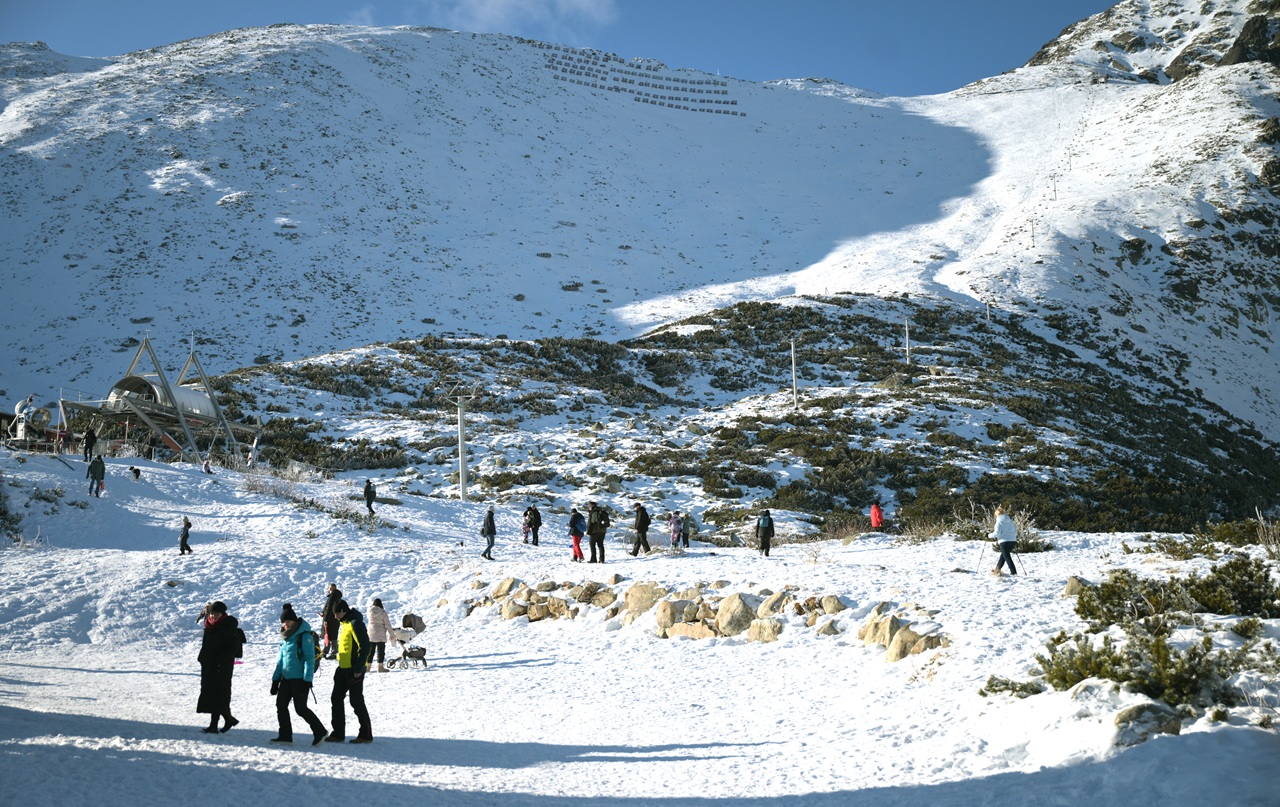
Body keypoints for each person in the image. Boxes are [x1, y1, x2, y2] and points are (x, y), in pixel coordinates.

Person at [269, 603, 329, 745]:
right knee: (281, 705)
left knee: (300, 709)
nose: (285, 624)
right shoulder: (286, 638)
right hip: (286, 678)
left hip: (299, 680)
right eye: (283, 622)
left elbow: (309, 659)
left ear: (294, 621)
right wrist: (275, 680)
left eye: (288, 621)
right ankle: (285, 736)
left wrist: (307, 680)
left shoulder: (304, 636)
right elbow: (281, 660)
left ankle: (320, 731)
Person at [328, 599, 373, 743]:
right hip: (343, 668)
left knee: (356, 701)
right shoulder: (345, 623)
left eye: (336, 614)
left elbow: (365, 646)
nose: (335, 617)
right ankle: (338, 733)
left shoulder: (355, 623)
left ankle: (366, 734)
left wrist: (359, 668)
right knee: (336, 699)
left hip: (354, 670)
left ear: (343, 611)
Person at [197, 600, 242, 734]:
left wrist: (219, 661)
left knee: (219, 695)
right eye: (211, 613)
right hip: (209, 665)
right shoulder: (209, 626)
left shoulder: (228, 627)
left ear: (222, 614)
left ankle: (223, 721)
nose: (213, 616)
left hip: (222, 668)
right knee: (212, 695)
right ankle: (221, 722)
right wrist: (202, 658)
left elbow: (232, 648)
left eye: (216, 613)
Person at [367, 598, 394, 673]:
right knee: (380, 651)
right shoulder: (383, 612)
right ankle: (380, 667)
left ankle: (367, 667)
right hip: (380, 634)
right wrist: (392, 634)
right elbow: (387, 624)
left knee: (370, 651)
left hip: (371, 633)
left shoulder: (369, 611)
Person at [990, 506, 1018, 576]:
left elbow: (997, 533)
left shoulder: (999, 523)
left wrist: (989, 535)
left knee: (1007, 556)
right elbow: (1015, 531)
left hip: (1004, 541)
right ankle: (997, 570)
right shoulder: (1010, 522)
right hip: (1013, 541)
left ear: (997, 515)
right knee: (1004, 556)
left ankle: (1013, 572)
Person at [320, 583, 343, 659]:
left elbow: (329, 609)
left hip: (330, 620)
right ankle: (331, 651)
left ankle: (328, 651)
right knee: (333, 635)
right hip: (335, 620)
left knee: (328, 635)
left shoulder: (332, 597)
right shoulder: (338, 597)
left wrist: (326, 619)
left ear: (330, 589)